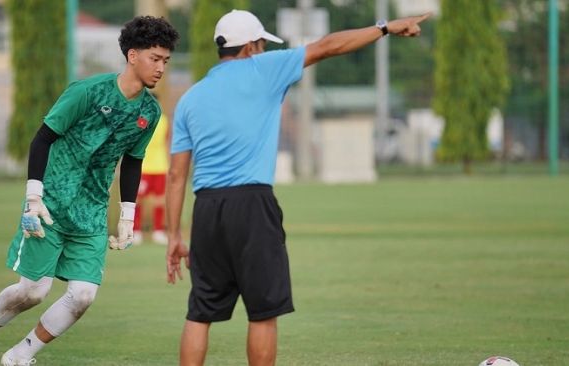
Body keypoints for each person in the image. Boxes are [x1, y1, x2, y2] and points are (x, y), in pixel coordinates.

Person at [165, 9, 430, 366]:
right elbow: (329, 46)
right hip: (252, 204)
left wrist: (173, 236)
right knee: (262, 312)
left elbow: (176, 175)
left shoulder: (191, 98)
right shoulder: (265, 68)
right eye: (260, 44)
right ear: (250, 47)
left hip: (207, 209)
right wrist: (385, 28)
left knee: (200, 312)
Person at [0, 15, 179, 366]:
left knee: (83, 296)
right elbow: (42, 139)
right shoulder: (87, 92)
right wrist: (33, 197)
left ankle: (20, 355)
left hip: (90, 212)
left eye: (166, 60)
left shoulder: (149, 112)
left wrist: (127, 215)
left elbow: (133, 162)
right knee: (32, 291)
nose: (161, 67)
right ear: (132, 55)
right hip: (51, 203)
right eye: (155, 57)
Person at [133, 111, 170, 245]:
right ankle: (136, 231)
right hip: (144, 166)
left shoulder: (163, 120)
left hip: (160, 165)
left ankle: (158, 231)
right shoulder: (142, 119)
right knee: (138, 199)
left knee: (159, 200)